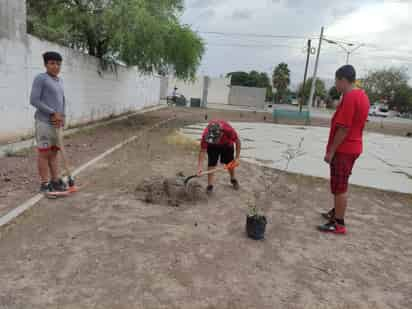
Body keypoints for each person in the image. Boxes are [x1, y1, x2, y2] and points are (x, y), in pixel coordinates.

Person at [319, 65, 370, 234]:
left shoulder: (349, 97)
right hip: (354, 146)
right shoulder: (362, 95)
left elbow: (343, 128)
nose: (335, 85)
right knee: (341, 182)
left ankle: (338, 223)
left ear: (342, 80)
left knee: (339, 187)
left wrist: (331, 152)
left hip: (344, 149)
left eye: (336, 81)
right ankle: (336, 212)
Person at [30, 51, 67, 193]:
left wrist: (63, 117)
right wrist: (52, 112)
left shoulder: (60, 81)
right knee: (44, 153)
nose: (56, 66)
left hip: (57, 124)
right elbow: (34, 100)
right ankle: (45, 183)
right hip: (44, 122)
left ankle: (55, 180)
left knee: (54, 153)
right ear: (45, 64)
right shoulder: (41, 78)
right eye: (52, 63)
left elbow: (62, 101)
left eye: (58, 64)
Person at [197, 120, 241, 194]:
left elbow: (237, 141)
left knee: (230, 163)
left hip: (227, 145)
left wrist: (237, 158)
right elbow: (202, 151)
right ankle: (210, 185)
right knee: (211, 163)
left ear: (221, 133)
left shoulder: (229, 130)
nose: (214, 139)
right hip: (212, 146)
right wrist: (199, 167)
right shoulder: (206, 135)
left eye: (215, 138)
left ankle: (233, 179)